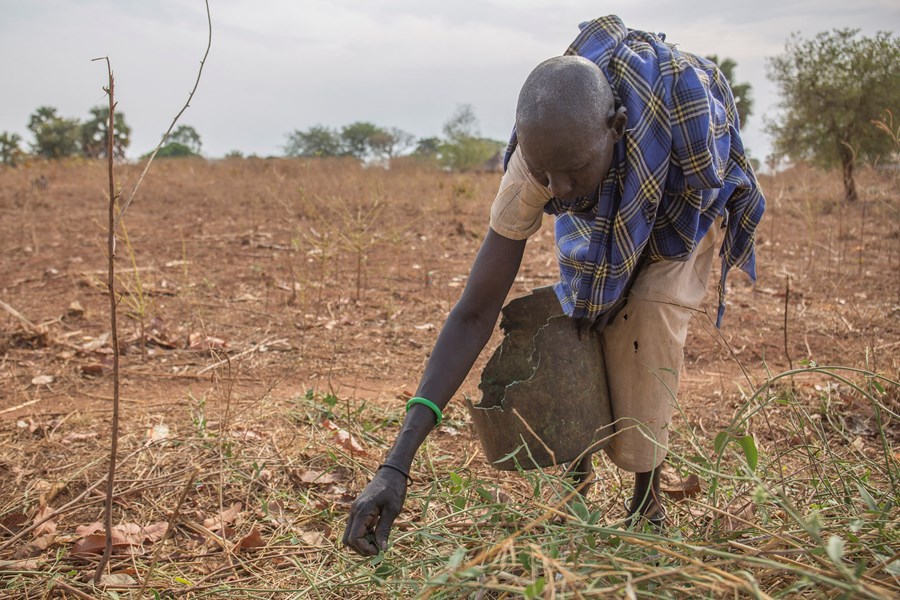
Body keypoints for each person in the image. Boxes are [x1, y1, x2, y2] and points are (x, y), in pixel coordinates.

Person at [343, 14, 765, 556]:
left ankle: (646, 498)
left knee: (647, 316)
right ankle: (578, 474)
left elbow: (689, 201)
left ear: (614, 128)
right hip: (612, 180)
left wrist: (628, 278)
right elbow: (474, 312)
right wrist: (394, 464)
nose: (560, 191)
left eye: (573, 170)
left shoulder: (676, 135)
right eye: (547, 173)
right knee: (577, 312)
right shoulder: (541, 164)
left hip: (685, 206)